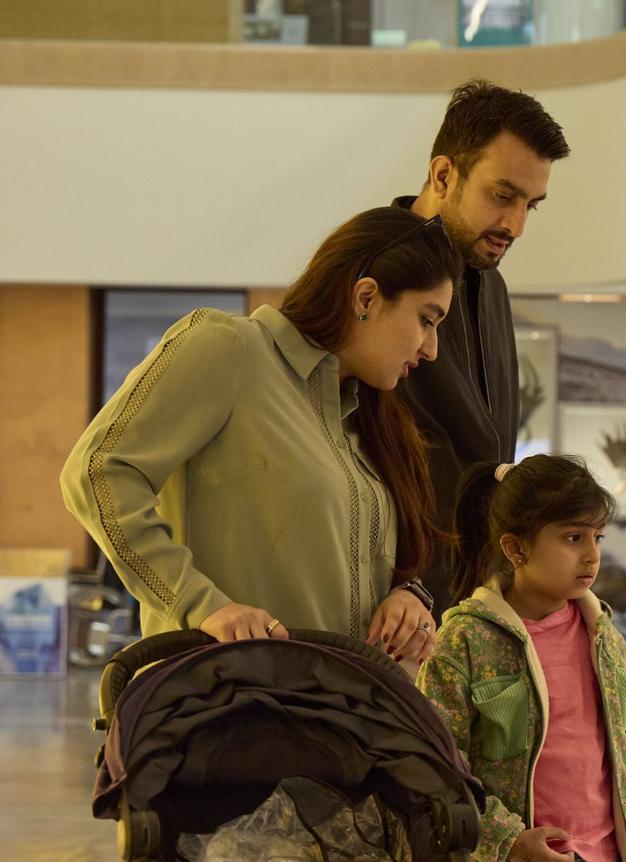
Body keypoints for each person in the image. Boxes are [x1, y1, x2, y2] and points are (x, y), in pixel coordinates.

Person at [60, 207, 457, 663]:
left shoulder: (367, 420)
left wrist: (405, 597)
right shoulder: (230, 348)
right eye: (426, 320)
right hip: (229, 694)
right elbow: (98, 470)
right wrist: (202, 604)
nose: (432, 349)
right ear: (366, 298)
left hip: (341, 701)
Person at [417, 456, 626, 862]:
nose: (592, 555)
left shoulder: (605, 638)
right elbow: (436, 766)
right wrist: (507, 842)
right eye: (573, 537)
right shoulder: (465, 641)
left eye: (598, 537)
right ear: (516, 548)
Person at [395, 79, 571, 618]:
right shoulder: (373, 270)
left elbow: (485, 454)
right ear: (443, 175)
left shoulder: (492, 286)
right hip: (391, 606)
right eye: (502, 195)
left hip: (471, 598)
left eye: (530, 205)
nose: (515, 225)